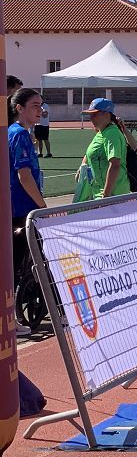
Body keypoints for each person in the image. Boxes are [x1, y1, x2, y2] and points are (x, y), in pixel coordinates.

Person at [9, 88, 47, 333]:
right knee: (18, 263)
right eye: (34, 105)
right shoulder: (20, 134)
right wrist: (42, 206)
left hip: (14, 206)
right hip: (23, 208)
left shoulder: (15, 133)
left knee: (14, 263)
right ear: (19, 108)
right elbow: (24, 175)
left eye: (40, 105)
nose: (40, 110)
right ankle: (11, 318)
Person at [76, 98, 131, 200]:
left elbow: (115, 164)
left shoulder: (111, 133)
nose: (91, 118)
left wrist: (106, 196)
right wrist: (82, 166)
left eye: (94, 115)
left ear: (106, 114)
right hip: (100, 194)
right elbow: (90, 153)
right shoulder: (101, 132)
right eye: (90, 115)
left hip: (113, 196)